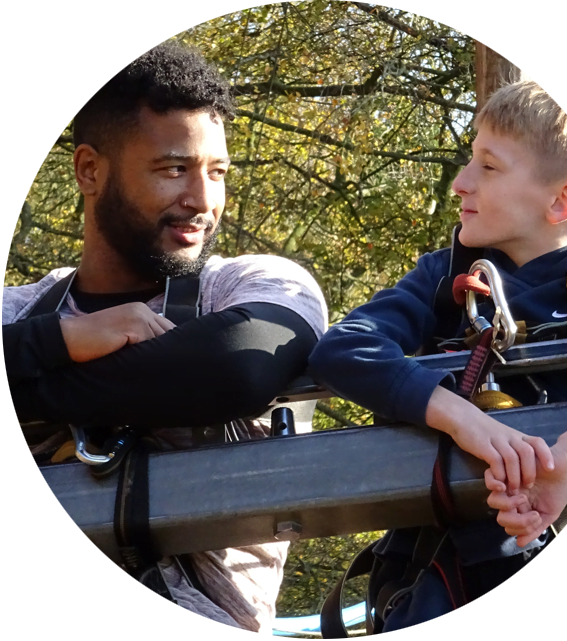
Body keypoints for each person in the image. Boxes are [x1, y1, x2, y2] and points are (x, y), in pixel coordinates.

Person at [3, 41, 327, 641]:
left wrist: (29, 377)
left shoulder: (253, 285)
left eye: (217, 172)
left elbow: (240, 366)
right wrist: (60, 338)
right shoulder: (21, 310)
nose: (203, 202)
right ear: (89, 170)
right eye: (173, 169)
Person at [308, 80, 567, 637]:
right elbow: (343, 347)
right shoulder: (446, 279)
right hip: (450, 566)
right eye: (470, 160)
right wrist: (465, 421)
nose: (461, 182)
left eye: (488, 167)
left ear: (560, 201)